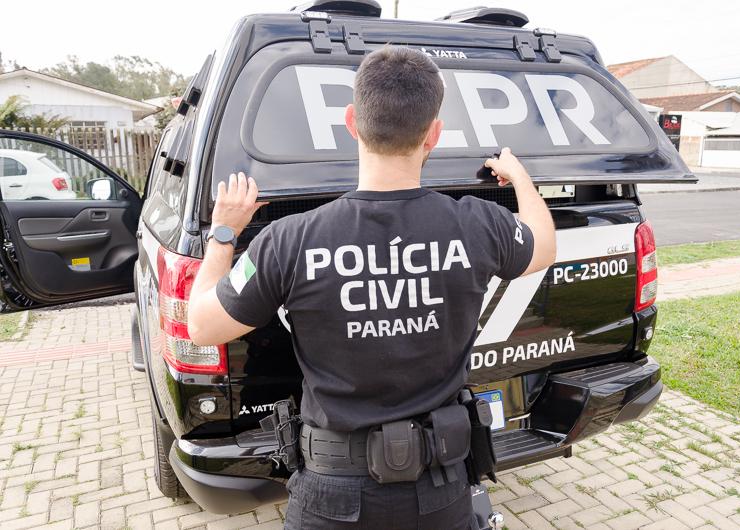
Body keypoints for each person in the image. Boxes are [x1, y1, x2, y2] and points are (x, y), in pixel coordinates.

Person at [187, 46, 556, 530]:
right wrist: (521, 179)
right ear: (434, 133)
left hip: (332, 496)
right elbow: (542, 246)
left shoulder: (289, 240)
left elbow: (202, 326)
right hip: (440, 491)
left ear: (351, 122)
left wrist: (223, 235)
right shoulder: (478, 224)